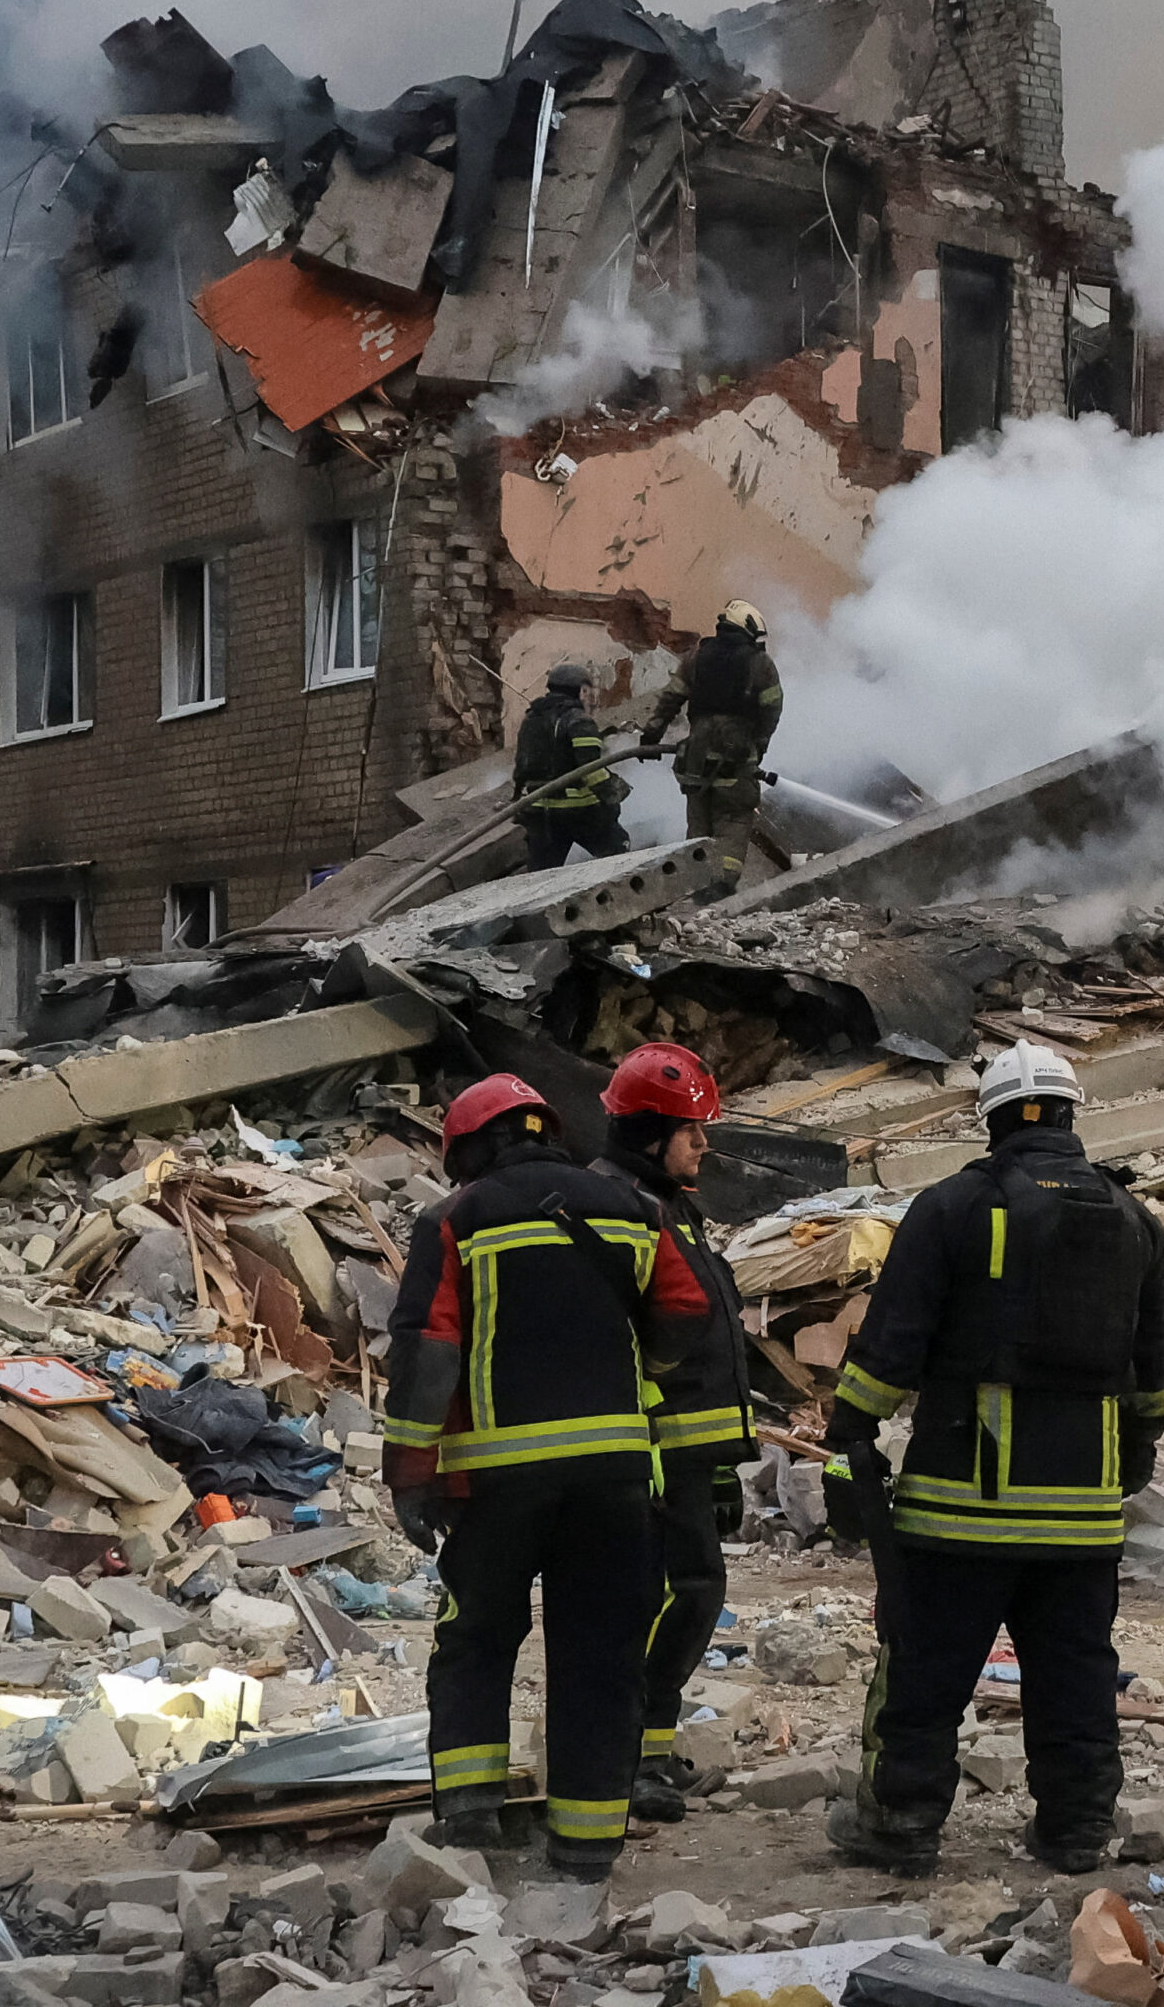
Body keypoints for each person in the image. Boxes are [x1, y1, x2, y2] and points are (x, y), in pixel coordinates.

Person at [821, 1041, 1164, 1878]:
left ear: (990, 1121)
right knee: (1076, 1677)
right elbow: (1158, 1372)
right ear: (1068, 1114)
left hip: (957, 1509)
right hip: (1081, 1522)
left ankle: (902, 1825)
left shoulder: (951, 1209)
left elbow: (891, 1347)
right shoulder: (1134, 1221)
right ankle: (1076, 1830)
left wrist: (851, 1432)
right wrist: (1132, 1455)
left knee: (925, 1671)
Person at [383, 1073, 709, 1881]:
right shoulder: (636, 1210)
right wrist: (637, 1367)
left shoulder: (455, 1218)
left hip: (497, 1482)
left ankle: (468, 1818)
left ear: (470, 1149)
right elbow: (686, 1313)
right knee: (601, 1651)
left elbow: (429, 1351)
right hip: (614, 1476)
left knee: (477, 1637)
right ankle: (587, 1842)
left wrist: (410, 1473)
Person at [589, 1042, 757, 1822]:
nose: (703, 1144)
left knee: (690, 1597)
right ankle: (624, 1760)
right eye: (691, 1131)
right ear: (650, 1133)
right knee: (662, 1600)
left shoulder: (668, 1209)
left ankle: (647, 1751)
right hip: (649, 1454)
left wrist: (721, 1464)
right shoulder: (620, 1211)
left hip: (685, 1454)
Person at [640, 600, 782, 893]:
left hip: (696, 757)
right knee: (734, 818)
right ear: (747, 630)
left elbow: (671, 698)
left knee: (699, 821)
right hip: (736, 759)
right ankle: (721, 886)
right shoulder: (760, 664)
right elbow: (772, 709)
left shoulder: (697, 656)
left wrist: (652, 734)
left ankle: (695, 885)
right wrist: (760, 744)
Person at [513, 661, 632, 872]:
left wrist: (517, 798)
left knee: (540, 876)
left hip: (540, 812)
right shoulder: (578, 720)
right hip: (580, 811)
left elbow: (522, 764)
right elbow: (591, 770)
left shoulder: (531, 718)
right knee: (619, 856)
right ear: (582, 690)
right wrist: (614, 793)